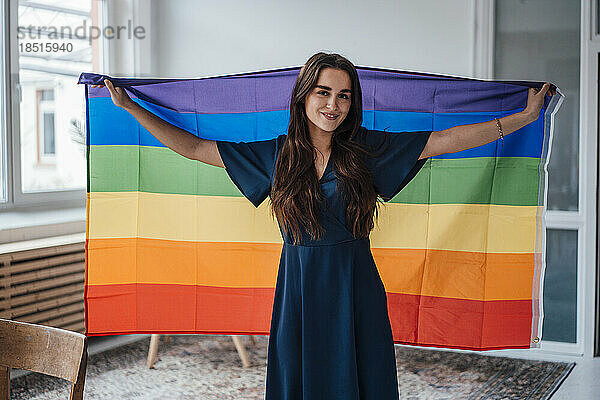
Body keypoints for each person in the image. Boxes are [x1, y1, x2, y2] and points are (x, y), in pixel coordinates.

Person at [91, 52, 554, 399]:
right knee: (302, 376)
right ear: (304, 95)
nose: (333, 104)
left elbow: (445, 140)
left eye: (344, 95)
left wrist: (524, 117)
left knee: (360, 372)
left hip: (354, 280)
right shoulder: (275, 154)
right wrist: (131, 108)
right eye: (323, 92)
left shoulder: (367, 149)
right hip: (298, 283)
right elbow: (193, 148)